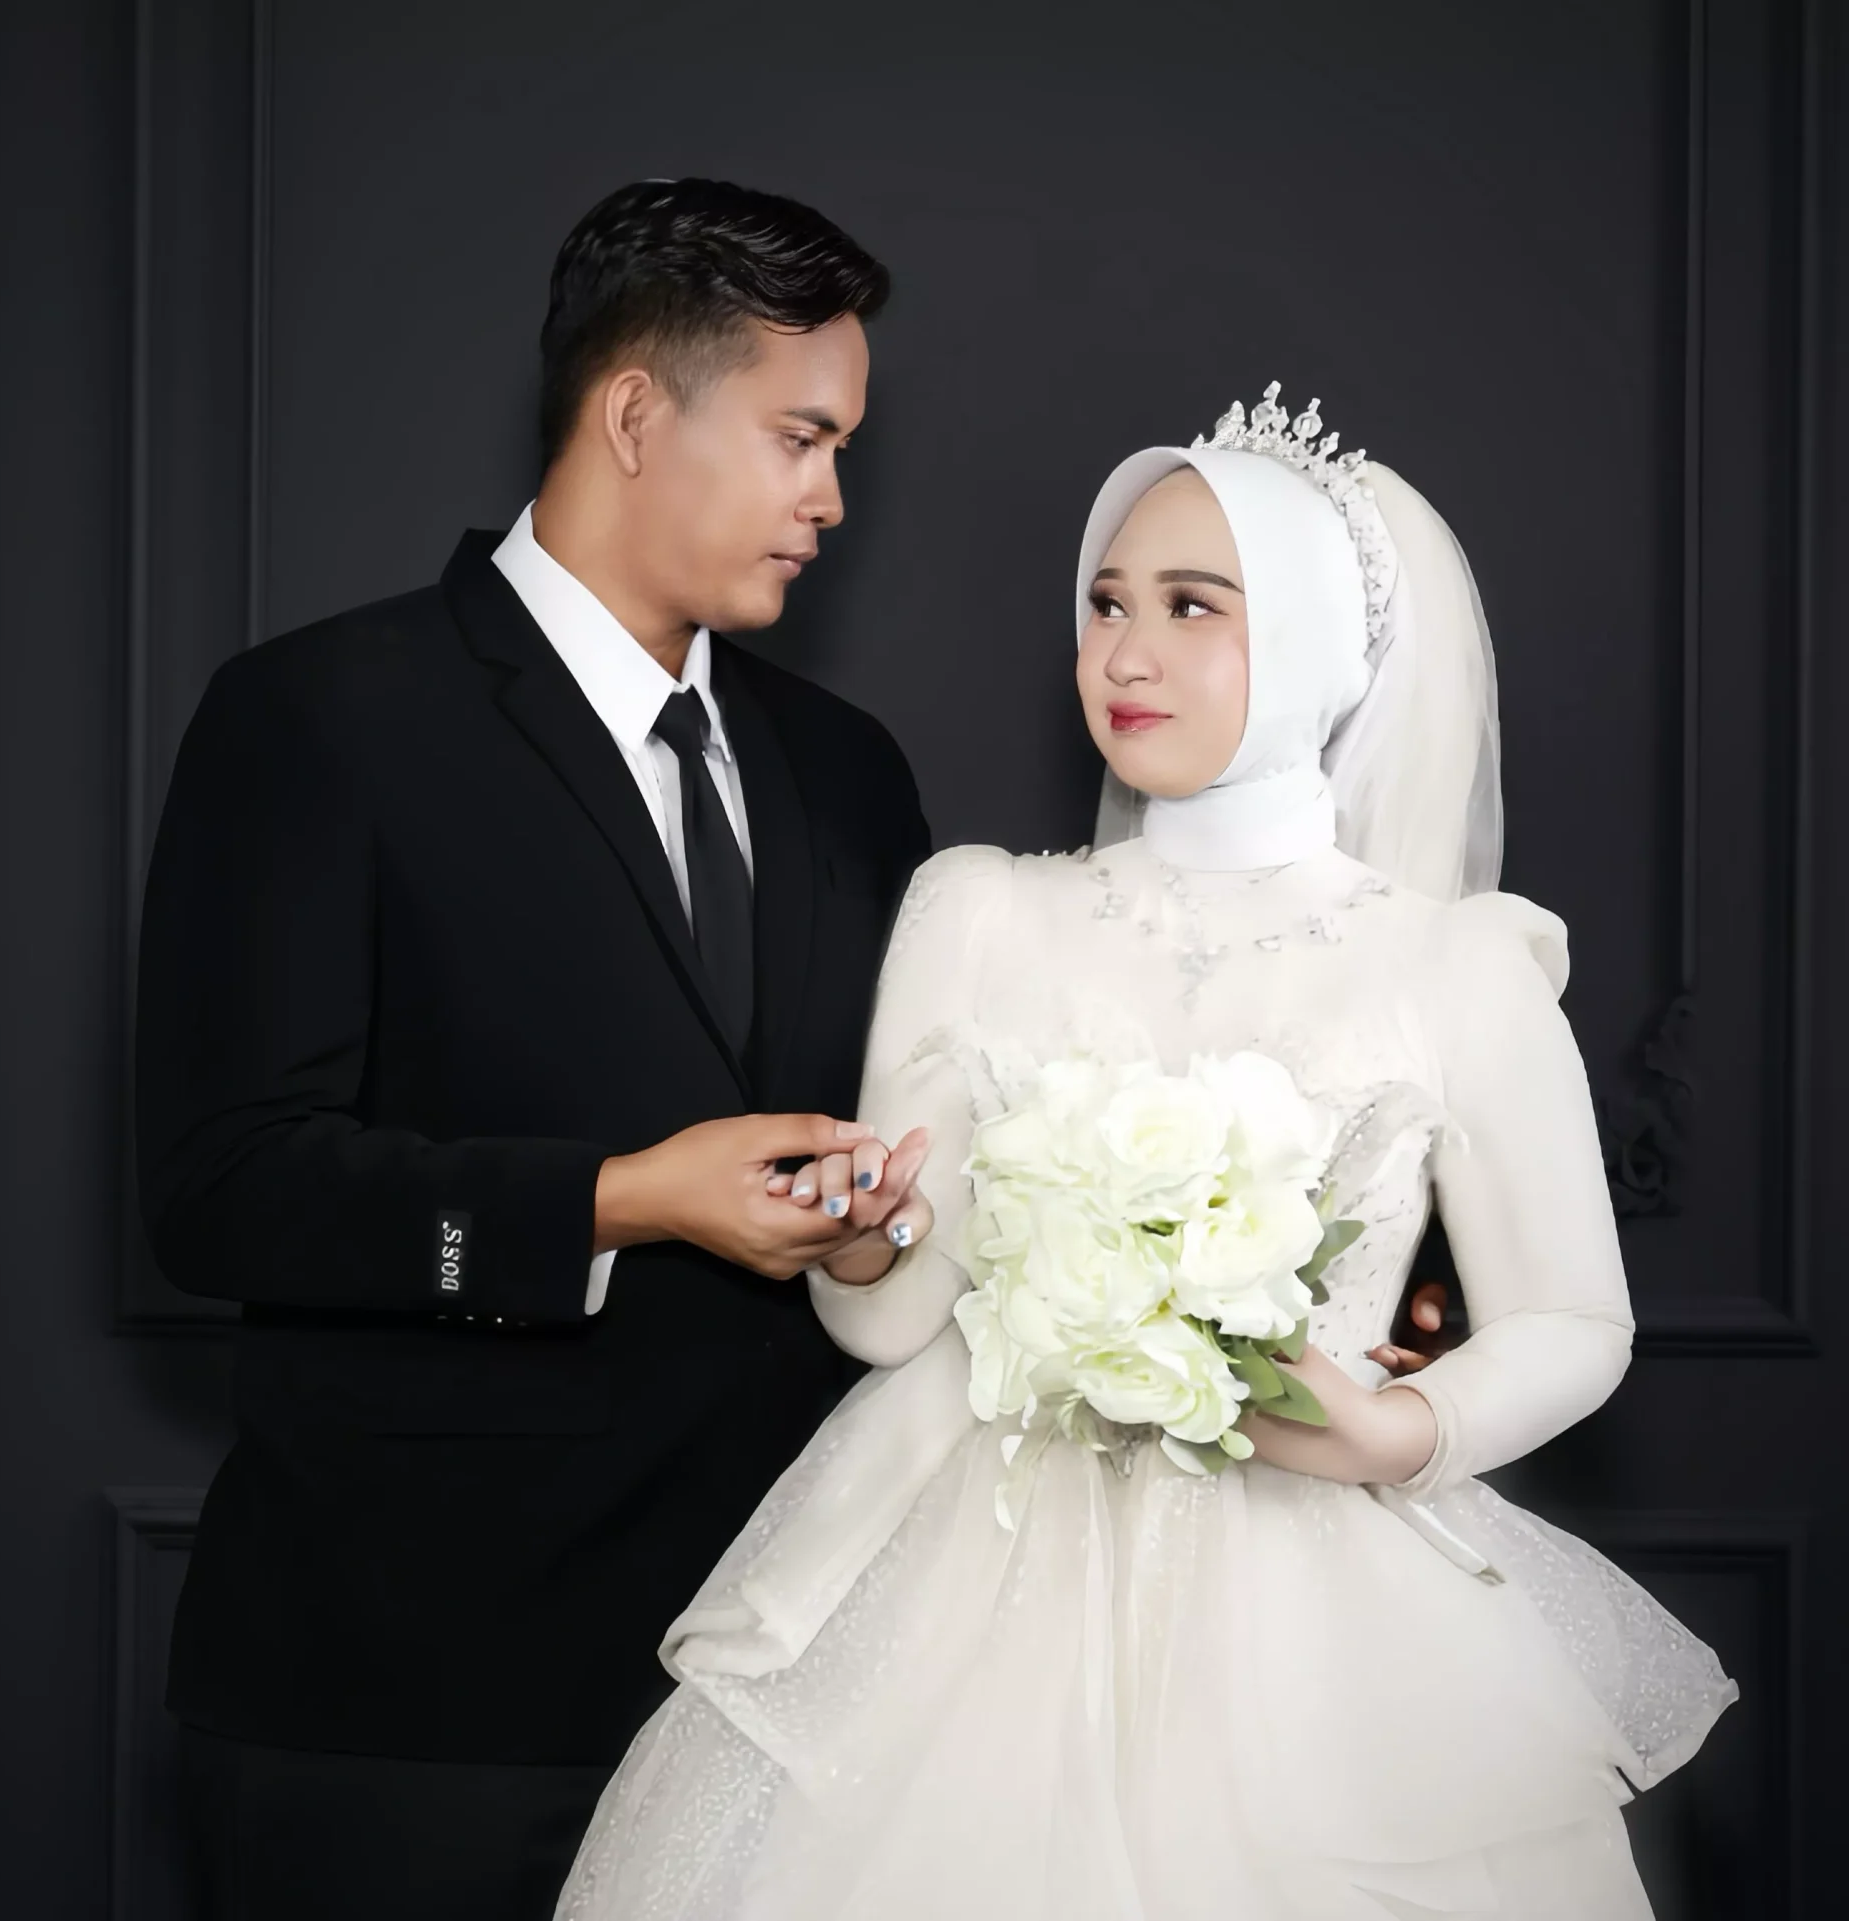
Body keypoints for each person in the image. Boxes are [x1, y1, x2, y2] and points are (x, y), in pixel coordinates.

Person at [553, 386, 1738, 1918]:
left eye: (1192, 606)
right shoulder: (980, 911)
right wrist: (862, 1238)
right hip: (970, 1590)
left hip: (1313, 1613)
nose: (1122, 654)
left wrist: (1395, 1434)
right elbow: (892, 1323)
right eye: (1106, 603)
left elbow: (1574, 1320)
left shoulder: (1455, 966)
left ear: (1319, 641)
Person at [132, 178, 936, 1919]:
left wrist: (876, 1228)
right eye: (801, 439)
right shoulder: (317, 717)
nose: (831, 498)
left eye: (842, 449)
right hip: (408, 1705)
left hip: (776, 1700)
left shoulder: (851, 774)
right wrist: (618, 1200)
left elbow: (869, 1171)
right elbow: (221, 1195)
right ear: (636, 415)